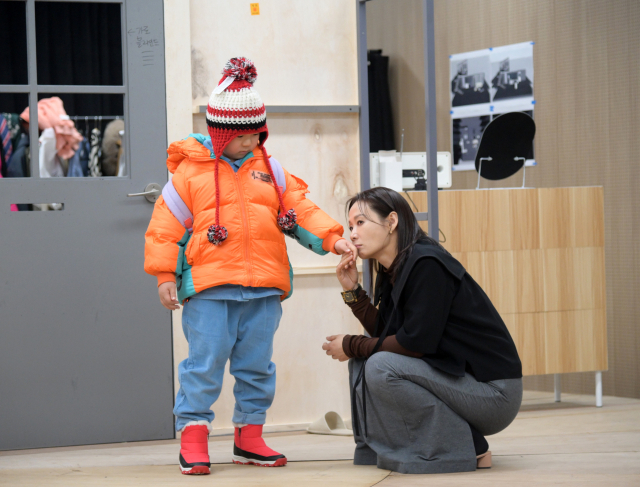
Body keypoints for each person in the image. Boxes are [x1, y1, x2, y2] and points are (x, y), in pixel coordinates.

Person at [144, 57, 356, 475]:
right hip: (209, 288)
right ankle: (193, 434)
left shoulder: (271, 171)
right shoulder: (189, 174)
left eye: (257, 134)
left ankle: (249, 435)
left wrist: (333, 237)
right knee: (204, 364)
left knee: (257, 365)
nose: (252, 143)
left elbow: (301, 210)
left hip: (263, 287)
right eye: (242, 137)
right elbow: (164, 228)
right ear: (220, 134)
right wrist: (165, 275)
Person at [323, 187, 523, 474]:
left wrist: (352, 343)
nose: (352, 234)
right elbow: (387, 335)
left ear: (391, 222)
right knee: (366, 359)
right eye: (351, 226)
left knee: (378, 363)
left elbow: (414, 344)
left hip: (493, 393)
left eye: (361, 223)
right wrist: (353, 292)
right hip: (461, 383)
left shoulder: (427, 263)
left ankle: (468, 444)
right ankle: (378, 445)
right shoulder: (394, 269)